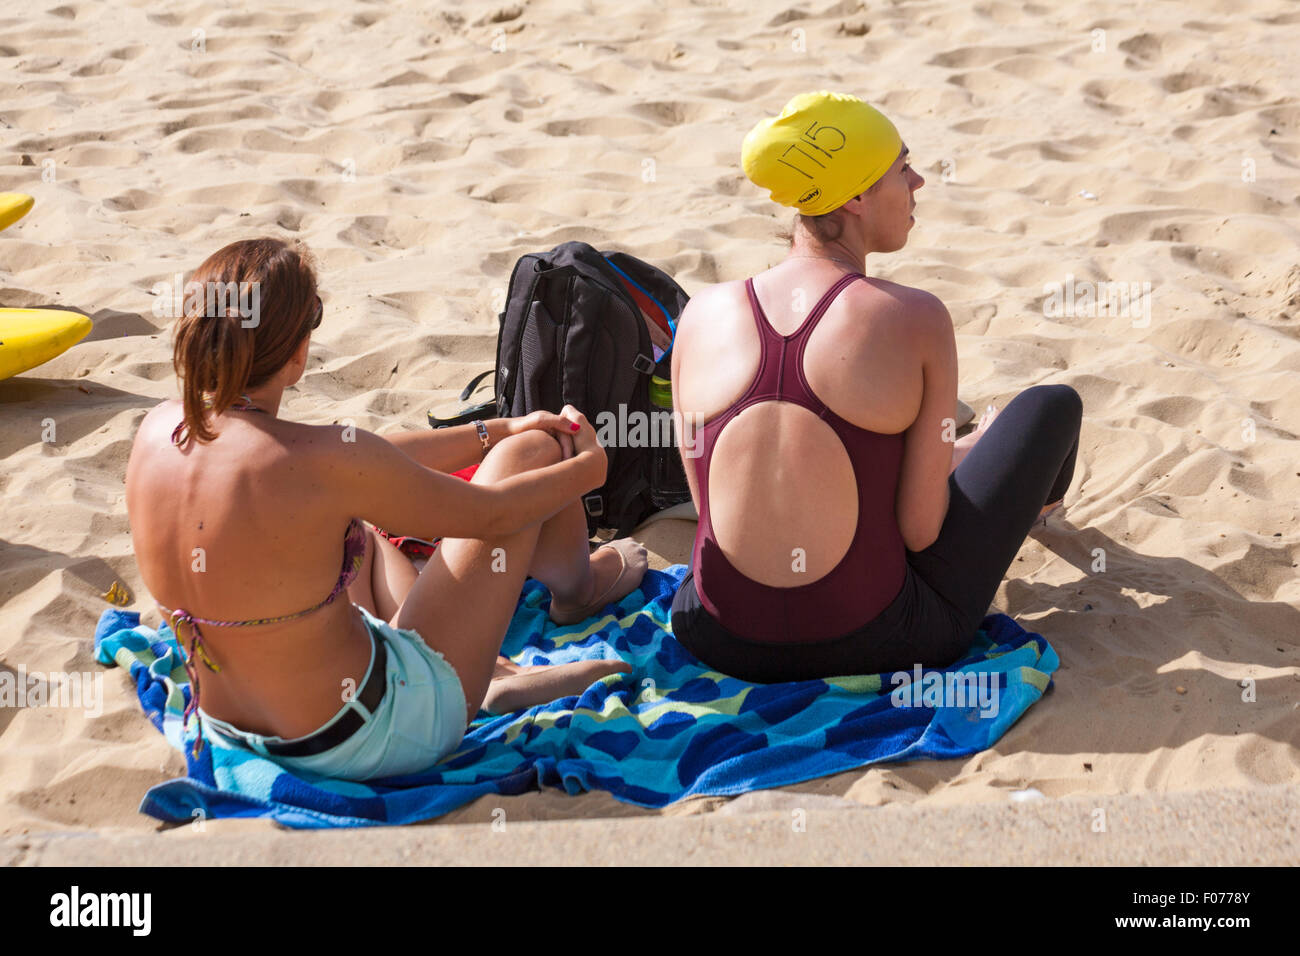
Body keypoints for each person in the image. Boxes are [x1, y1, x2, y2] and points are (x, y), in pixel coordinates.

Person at [125, 237, 647, 780]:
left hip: (230, 726)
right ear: (297, 354)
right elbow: (493, 514)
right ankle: (574, 594)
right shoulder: (319, 464)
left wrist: (490, 429)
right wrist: (586, 469)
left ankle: (490, 667)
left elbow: (369, 460)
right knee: (533, 455)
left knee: (356, 524)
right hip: (372, 735)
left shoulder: (158, 430)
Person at [669, 91, 1082, 682]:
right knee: (1050, 406)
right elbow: (920, 529)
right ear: (857, 197)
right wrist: (963, 455)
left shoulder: (703, 311)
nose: (917, 182)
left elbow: (712, 506)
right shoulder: (916, 317)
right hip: (879, 640)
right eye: (902, 167)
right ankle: (1040, 509)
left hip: (715, 635)